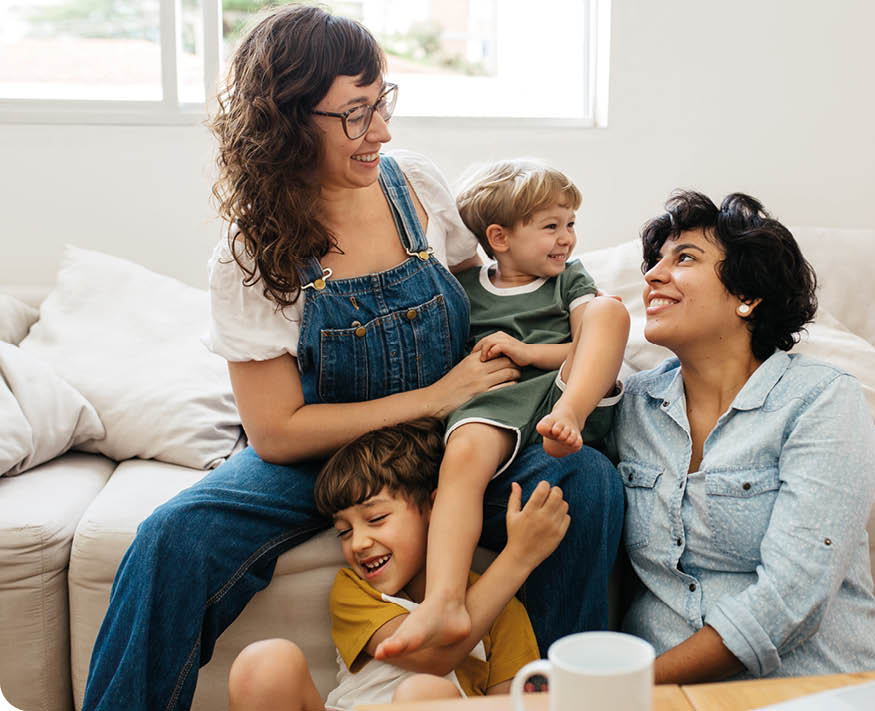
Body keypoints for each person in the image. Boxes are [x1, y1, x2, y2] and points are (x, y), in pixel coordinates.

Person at [80, 6, 623, 710]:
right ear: (287, 122)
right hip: (319, 458)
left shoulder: (417, 188)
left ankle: (564, 700)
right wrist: (431, 396)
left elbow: (490, 294)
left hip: (454, 438)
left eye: (382, 104)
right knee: (169, 542)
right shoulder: (251, 256)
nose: (383, 132)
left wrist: (539, 361)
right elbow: (276, 430)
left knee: (584, 482)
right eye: (356, 115)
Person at [609, 190, 875, 683]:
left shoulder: (822, 400)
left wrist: (627, 687)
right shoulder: (633, 405)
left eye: (685, 258)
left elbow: (792, 596)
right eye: (654, 262)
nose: (653, 275)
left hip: (811, 685)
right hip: (669, 696)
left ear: (748, 296)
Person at [378, 159, 629, 659]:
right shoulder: (467, 290)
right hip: (498, 399)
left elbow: (589, 341)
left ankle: (572, 418)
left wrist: (534, 353)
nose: (568, 239)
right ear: (499, 237)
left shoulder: (568, 281)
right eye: (551, 226)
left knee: (609, 309)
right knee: (464, 454)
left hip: (563, 392)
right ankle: (445, 599)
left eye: (571, 224)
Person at [228, 418, 567, 710]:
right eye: (343, 532)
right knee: (264, 662)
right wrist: (518, 558)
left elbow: (511, 703)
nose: (358, 543)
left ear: (435, 509)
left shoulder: (503, 610)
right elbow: (433, 658)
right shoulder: (355, 591)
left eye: (375, 518)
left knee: (422, 695)